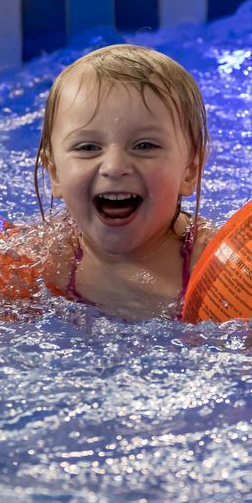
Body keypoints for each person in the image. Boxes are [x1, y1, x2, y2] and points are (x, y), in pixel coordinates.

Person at [29, 43, 213, 321]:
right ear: (54, 173)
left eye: (145, 145)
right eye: (88, 148)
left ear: (189, 171)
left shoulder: (213, 263)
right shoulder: (45, 261)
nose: (114, 167)